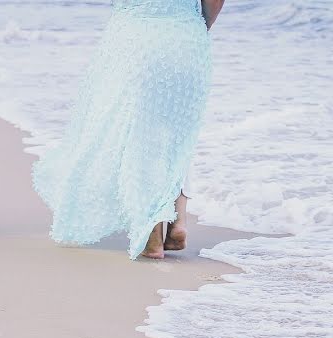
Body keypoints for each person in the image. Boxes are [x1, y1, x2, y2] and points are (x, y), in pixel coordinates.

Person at [33, 0, 224, 259]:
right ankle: (179, 218)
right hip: (186, 39)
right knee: (178, 134)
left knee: (142, 135)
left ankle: (153, 231)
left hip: (134, 41)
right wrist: (197, 24)